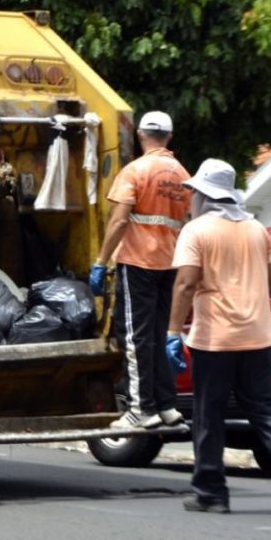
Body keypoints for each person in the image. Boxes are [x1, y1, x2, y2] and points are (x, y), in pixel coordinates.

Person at [167, 158, 271, 517]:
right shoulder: (257, 230)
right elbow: (267, 283)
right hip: (258, 336)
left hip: (215, 339)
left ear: (204, 195)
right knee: (267, 409)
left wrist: (173, 332)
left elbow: (186, 282)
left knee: (208, 413)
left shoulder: (197, 230)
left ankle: (211, 493)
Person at [89, 110, 191, 429]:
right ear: (170, 138)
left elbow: (119, 220)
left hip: (138, 263)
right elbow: (187, 222)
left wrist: (100, 261)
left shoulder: (135, 171)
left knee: (135, 335)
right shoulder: (184, 176)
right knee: (160, 335)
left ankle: (140, 409)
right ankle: (166, 406)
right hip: (170, 264)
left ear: (140, 135)